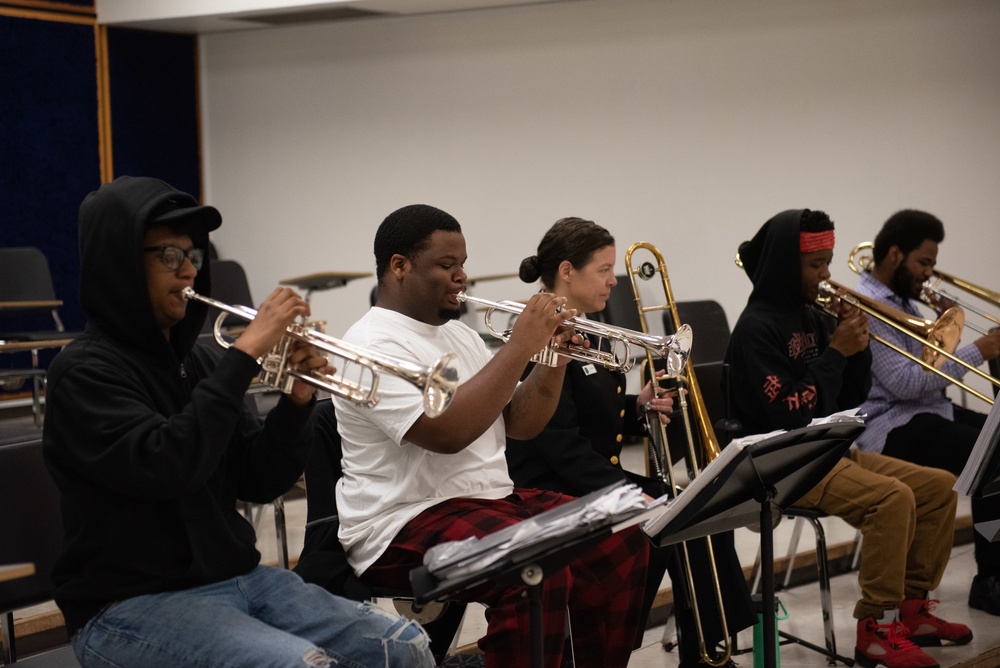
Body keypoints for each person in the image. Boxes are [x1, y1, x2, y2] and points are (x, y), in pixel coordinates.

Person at [41, 176, 435, 668]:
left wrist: (296, 401)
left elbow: (260, 479)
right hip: (127, 603)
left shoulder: (201, 364)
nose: (188, 271)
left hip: (240, 578)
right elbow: (169, 465)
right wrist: (246, 352)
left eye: (194, 257)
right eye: (170, 256)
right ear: (119, 261)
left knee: (403, 646)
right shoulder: (83, 372)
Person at [332, 203, 651, 668]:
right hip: (402, 520)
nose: (462, 277)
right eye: (447, 265)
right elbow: (448, 433)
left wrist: (553, 360)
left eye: (463, 264)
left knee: (621, 535)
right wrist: (522, 344)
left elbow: (520, 423)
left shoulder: (460, 336)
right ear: (399, 267)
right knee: (533, 566)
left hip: (489, 501)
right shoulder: (370, 345)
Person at [724, 209, 971, 668]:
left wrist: (856, 352)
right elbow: (788, 412)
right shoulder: (755, 331)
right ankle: (875, 628)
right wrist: (837, 351)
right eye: (815, 265)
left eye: (828, 262)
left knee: (938, 489)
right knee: (892, 500)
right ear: (784, 265)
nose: (827, 275)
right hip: (782, 462)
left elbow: (852, 398)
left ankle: (914, 611)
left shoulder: (812, 315)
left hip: (830, 449)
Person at [505, 217, 756, 668]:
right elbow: (557, 443)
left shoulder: (585, 323)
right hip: (553, 487)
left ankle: (708, 645)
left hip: (586, 476)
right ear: (567, 271)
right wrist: (627, 493)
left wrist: (637, 408)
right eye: (602, 269)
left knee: (696, 508)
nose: (613, 279)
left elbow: (590, 414)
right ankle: (689, 652)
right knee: (672, 514)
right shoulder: (539, 332)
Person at [854, 209, 1000, 616]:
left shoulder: (902, 301)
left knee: (997, 441)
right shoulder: (869, 305)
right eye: (924, 263)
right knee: (990, 458)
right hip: (890, 424)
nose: (929, 274)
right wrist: (979, 350)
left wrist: (942, 329)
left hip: (927, 412)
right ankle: (989, 579)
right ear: (894, 255)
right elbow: (906, 383)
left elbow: (925, 375)